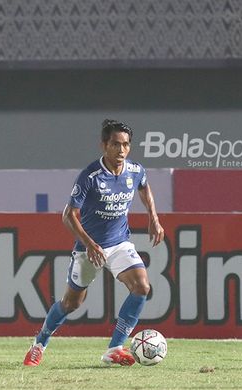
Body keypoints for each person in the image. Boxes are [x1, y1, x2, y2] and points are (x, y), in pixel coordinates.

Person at [23, 119, 164, 366]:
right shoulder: (90, 176)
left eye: (126, 145)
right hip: (89, 248)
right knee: (71, 303)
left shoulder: (135, 170)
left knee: (142, 286)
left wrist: (153, 217)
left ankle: (115, 348)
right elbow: (68, 215)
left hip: (119, 243)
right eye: (115, 145)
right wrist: (89, 244)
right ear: (104, 145)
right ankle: (39, 343)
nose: (121, 151)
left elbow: (144, 187)